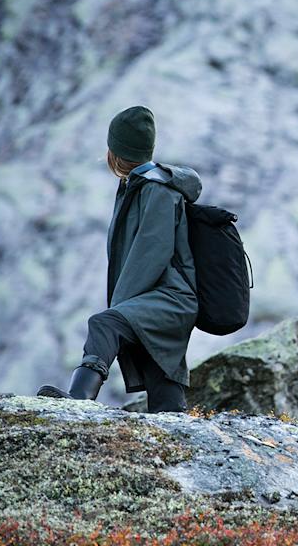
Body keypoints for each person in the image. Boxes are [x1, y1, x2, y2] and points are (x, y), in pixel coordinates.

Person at [37, 105, 202, 412]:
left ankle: (79, 400)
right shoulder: (138, 187)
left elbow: (151, 255)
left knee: (105, 323)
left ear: (116, 152)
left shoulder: (157, 190)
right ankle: (177, 422)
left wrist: (120, 309)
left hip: (171, 298)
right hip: (160, 296)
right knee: (163, 386)